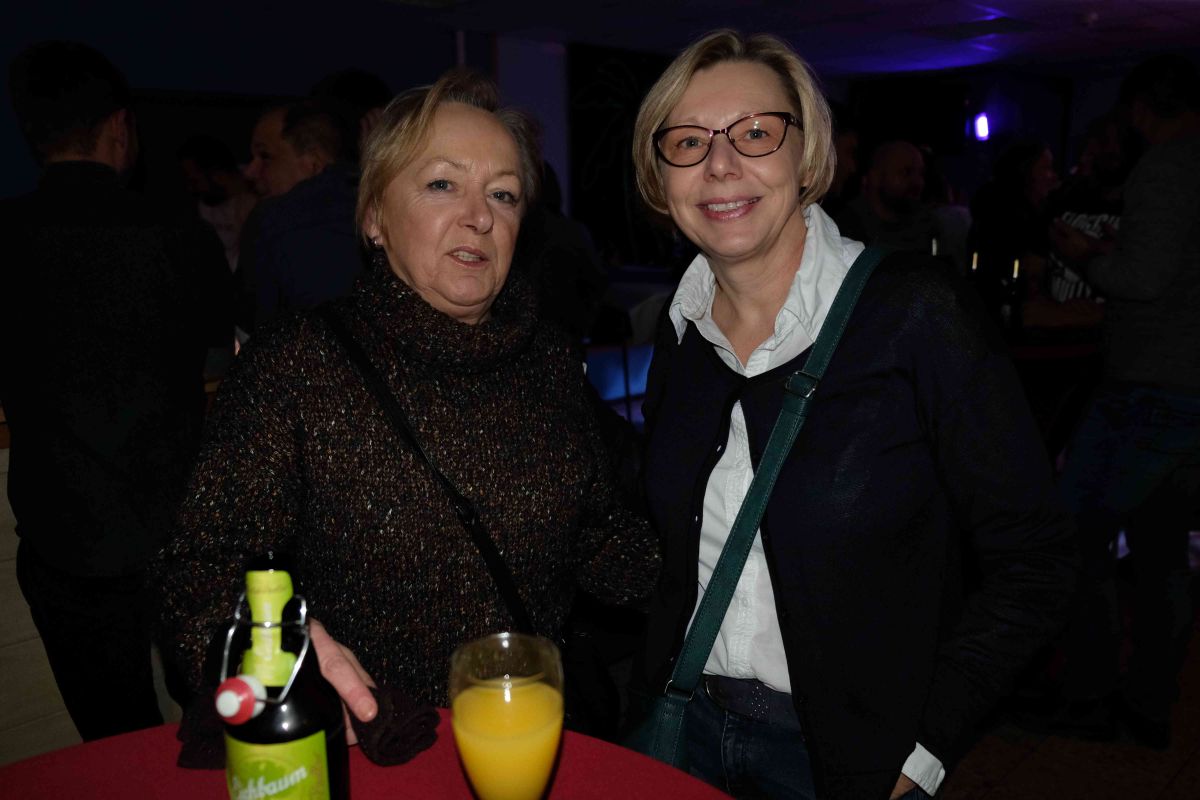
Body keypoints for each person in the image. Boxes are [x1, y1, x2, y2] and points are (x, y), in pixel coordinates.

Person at [629, 30, 1077, 800]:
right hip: (685, 733)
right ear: (658, 175)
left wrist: (923, 749)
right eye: (689, 141)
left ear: (808, 157)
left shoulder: (916, 313)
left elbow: (1037, 559)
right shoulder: (679, 334)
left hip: (843, 762)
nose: (720, 164)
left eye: (756, 133)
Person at [155, 69, 660, 736]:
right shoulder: (299, 364)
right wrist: (279, 654)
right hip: (378, 743)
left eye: (503, 194)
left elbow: (602, 541)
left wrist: (728, 566)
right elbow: (200, 570)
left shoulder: (547, 360)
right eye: (442, 184)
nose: (480, 216)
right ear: (374, 218)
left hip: (530, 732)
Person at [1, 41, 232, 741]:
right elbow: (223, 348)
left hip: (63, 534)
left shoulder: (8, 238)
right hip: (179, 525)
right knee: (218, 723)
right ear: (119, 127)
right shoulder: (177, 235)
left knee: (113, 741)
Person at [1046, 53, 1200, 750]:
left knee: (1075, 534)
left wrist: (1084, 254)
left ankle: (1088, 691)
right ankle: (1147, 706)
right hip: (1187, 387)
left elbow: (1141, 281)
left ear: (1141, 108)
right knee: (1163, 551)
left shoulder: (1167, 166)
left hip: (1150, 386)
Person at [241, 99, 364, 334]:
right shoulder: (387, 208)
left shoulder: (273, 222)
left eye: (265, 156)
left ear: (313, 163)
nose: (250, 171)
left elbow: (252, 331)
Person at [834, 139, 940, 254]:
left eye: (921, 173)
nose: (918, 182)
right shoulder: (847, 228)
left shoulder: (926, 226)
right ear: (875, 177)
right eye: (906, 172)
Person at [176, 134, 257, 271]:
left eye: (194, 181)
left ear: (219, 175)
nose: (190, 188)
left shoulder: (261, 191)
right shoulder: (205, 204)